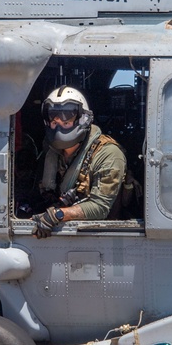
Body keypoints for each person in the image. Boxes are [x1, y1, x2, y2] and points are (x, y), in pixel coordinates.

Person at [32, 86, 126, 238]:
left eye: (66, 119)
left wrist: (58, 215)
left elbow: (100, 207)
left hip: (99, 236)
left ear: (83, 119)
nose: (59, 124)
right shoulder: (52, 153)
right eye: (54, 119)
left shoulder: (108, 154)